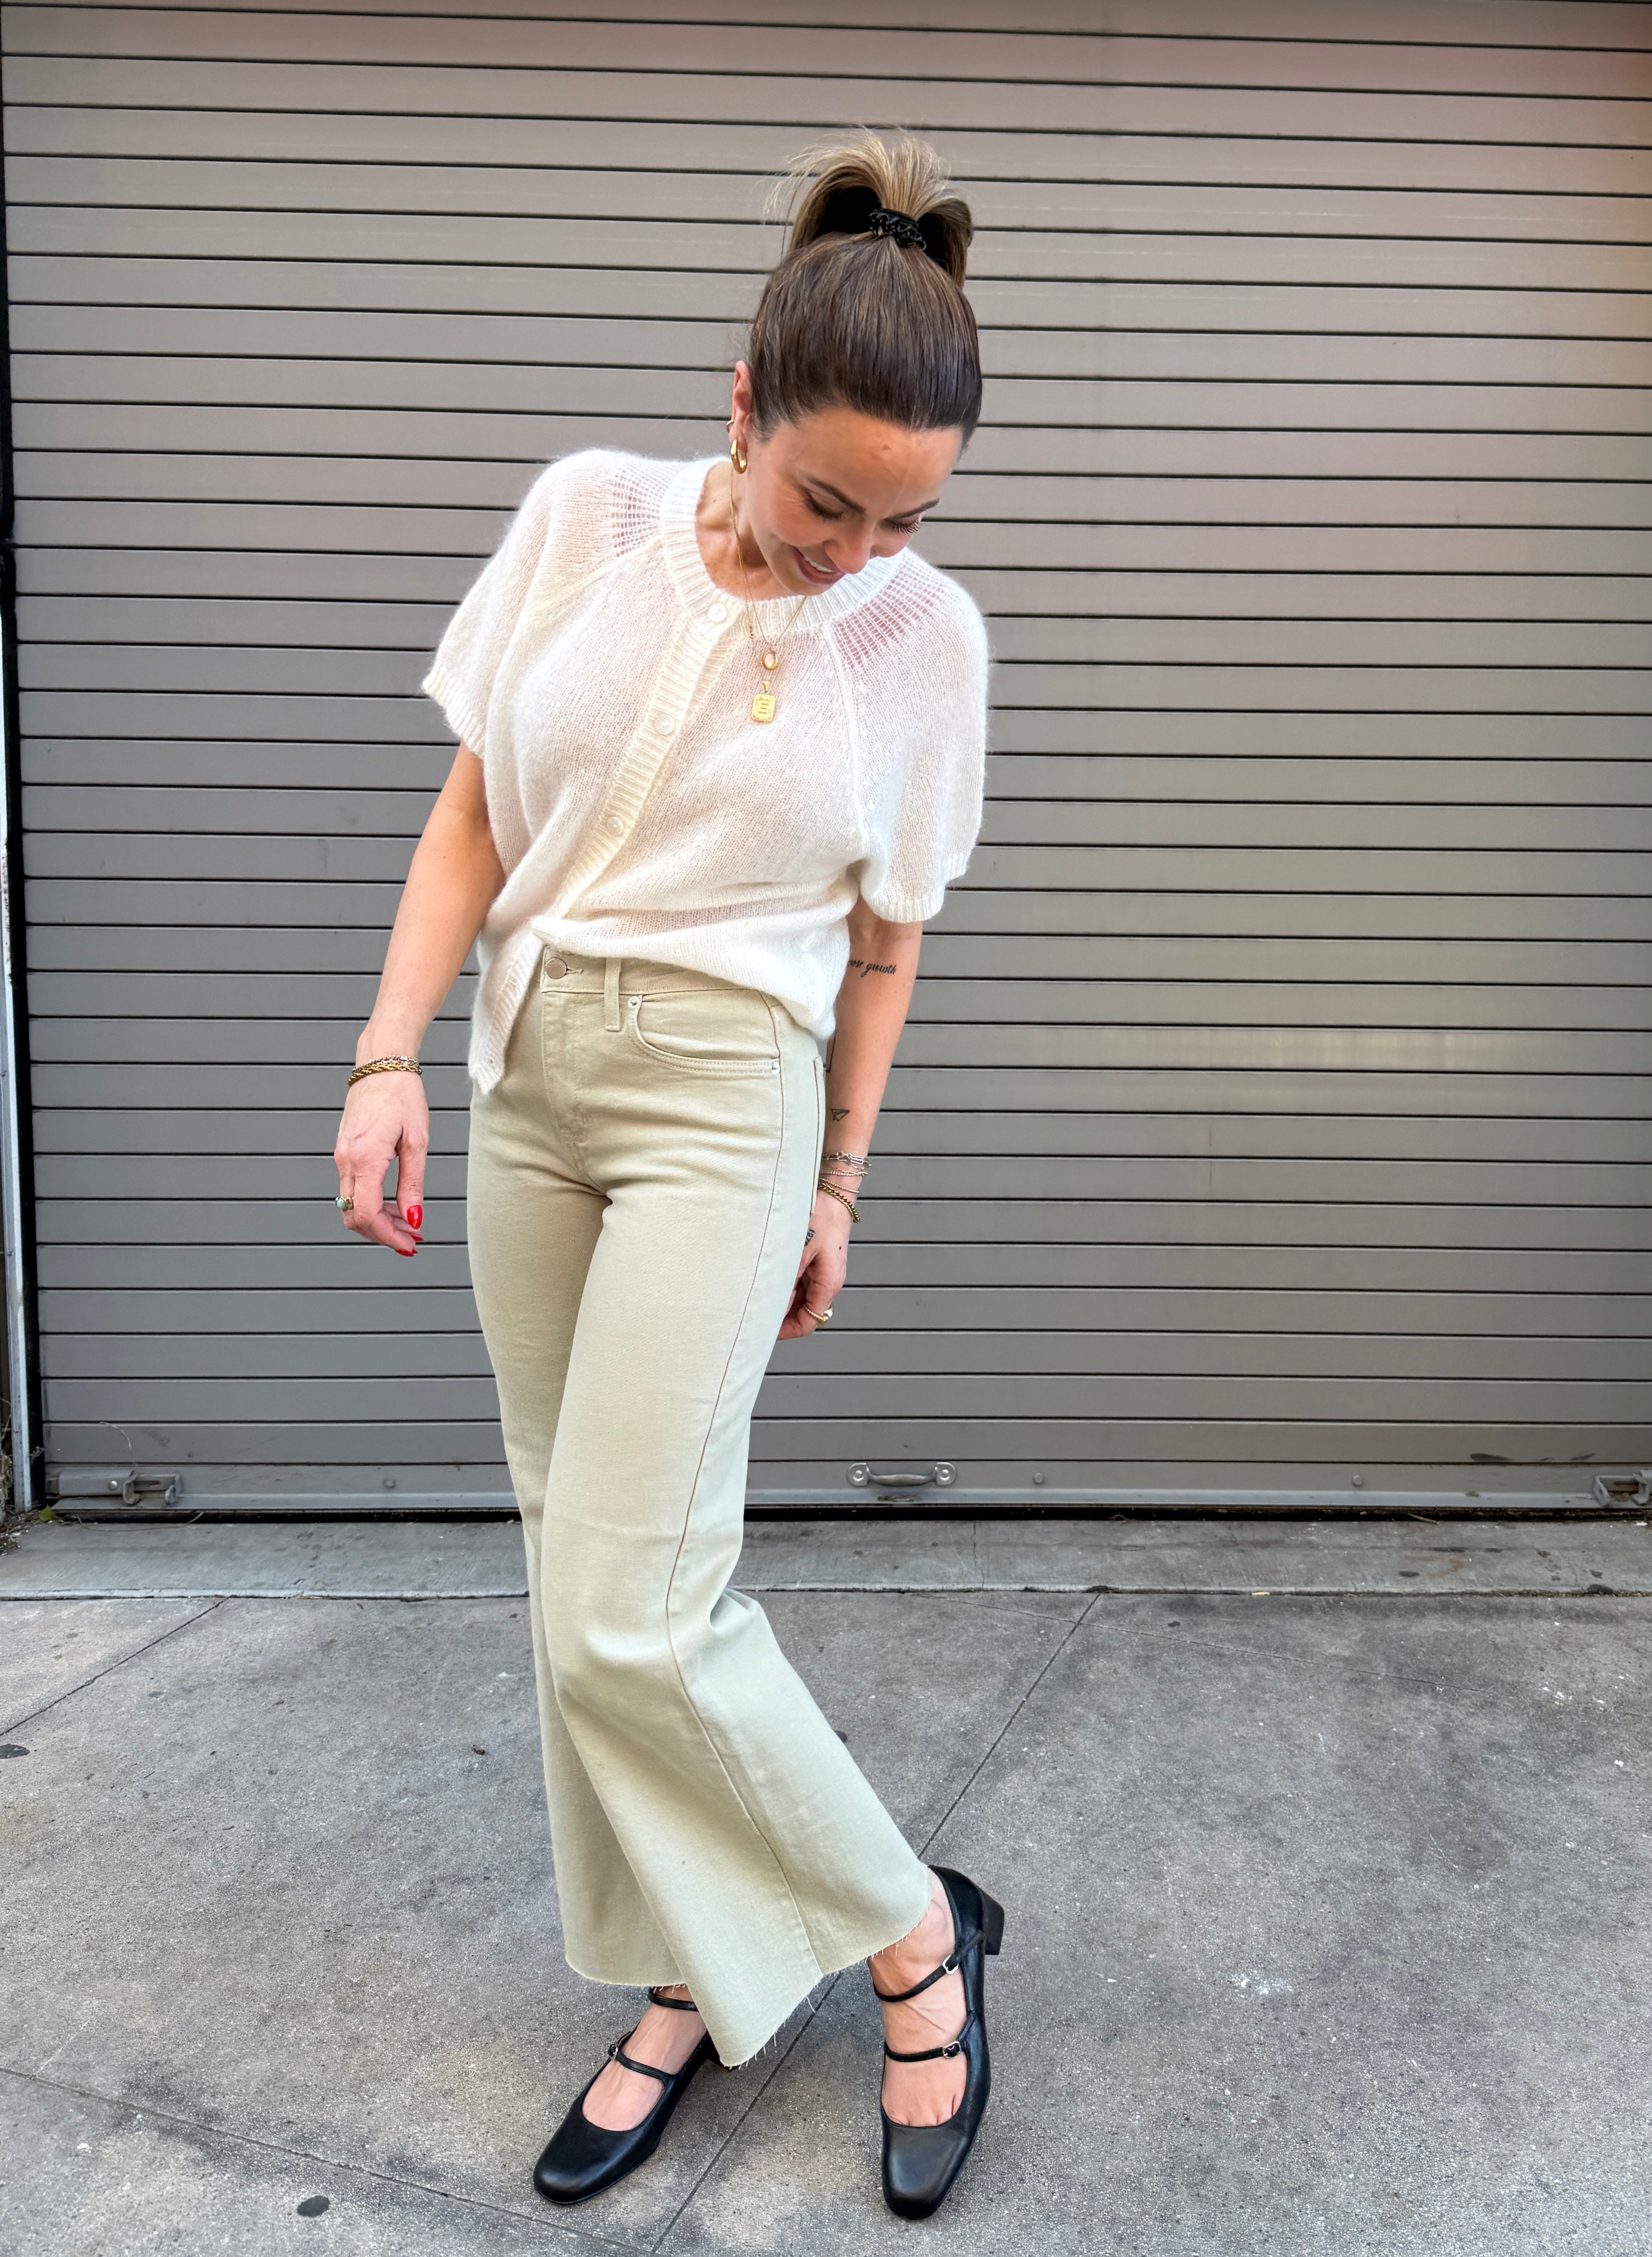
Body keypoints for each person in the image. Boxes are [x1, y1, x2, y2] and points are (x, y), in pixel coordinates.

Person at [331, 133, 1001, 2223]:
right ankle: (687, 1980)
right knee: (574, 1579)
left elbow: (887, 945)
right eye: (827, 502)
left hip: (731, 1101)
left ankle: (910, 1949)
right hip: (529, 1079)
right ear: (739, 404)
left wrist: (844, 1184)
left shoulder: (925, 638)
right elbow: (471, 817)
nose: (857, 553)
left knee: (640, 1602)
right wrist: (387, 1056)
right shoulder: (583, 516)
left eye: (903, 518)